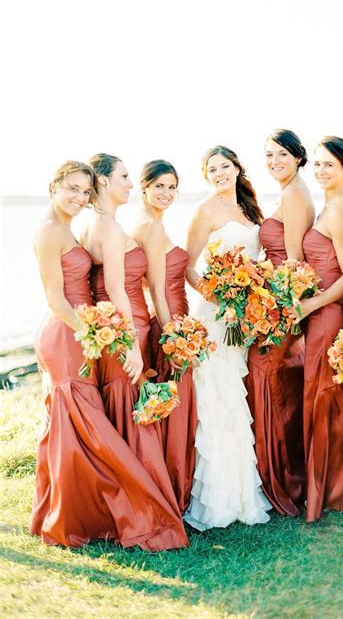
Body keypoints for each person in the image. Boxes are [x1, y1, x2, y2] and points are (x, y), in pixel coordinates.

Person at [30, 161, 187, 550]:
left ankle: (85, 510)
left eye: (84, 192)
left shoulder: (73, 226)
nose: (79, 198)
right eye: (72, 190)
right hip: (71, 333)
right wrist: (108, 335)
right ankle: (105, 511)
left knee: (84, 432)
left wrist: (100, 333)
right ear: (54, 185)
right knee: (86, 431)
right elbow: (57, 296)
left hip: (86, 333)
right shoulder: (51, 231)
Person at [83, 153, 188, 547]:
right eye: (125, 177)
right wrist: (130, 343)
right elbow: (111, 288)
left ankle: (136, 506)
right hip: (129, 329)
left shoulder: (101, 223)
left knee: (130, 416)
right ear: (104, 181)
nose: (130, 183)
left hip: (127, 327)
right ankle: (145, 515)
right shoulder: (107, 228)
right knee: (135, 421)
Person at [183, 145, 272, 530]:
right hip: (216, 319)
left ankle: (241, 495)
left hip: (241, 321)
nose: (220, 173)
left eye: (225, 166)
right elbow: (188, 268)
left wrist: (251, 297)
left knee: (235, 399)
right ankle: (217, 501)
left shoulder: (250, 208)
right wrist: (219, 296)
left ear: (237, 167)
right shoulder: (205, 211)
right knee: (217, 401)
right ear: (206, 176)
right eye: (212, 169)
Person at [289, 136, 343, 522]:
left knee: (326, 400)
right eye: (316, 164)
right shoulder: (329, 206)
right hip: (318, 315)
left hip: (329, 316)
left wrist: (309, 305)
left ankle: (331, 491)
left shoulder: (341, 211)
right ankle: (325, 486)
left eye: (328, 165)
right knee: (320, 398)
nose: (320, 171)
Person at [246, 129, 314, 516]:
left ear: (298, 157)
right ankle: (273, 471)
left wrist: (274, 308)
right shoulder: (292, 191)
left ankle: (279, 477)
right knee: (274, 385)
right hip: (272, 304)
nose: (274, 162)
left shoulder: (293, 194)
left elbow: (292, 264)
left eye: (282, 155)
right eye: (269, 156)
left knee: (268, 382)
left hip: (281, 310)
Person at [132, 159, 197, 515]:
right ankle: (174, 489)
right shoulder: (150, 228)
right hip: (169, 321)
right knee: (176, 407)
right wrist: (173, 337)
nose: (167, 194)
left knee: (175, 407)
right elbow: (156, 288)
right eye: (159, 186)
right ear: (144, 188)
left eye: (172, 187)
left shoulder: (151, 224)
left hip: (175, 317)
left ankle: (173, 488)